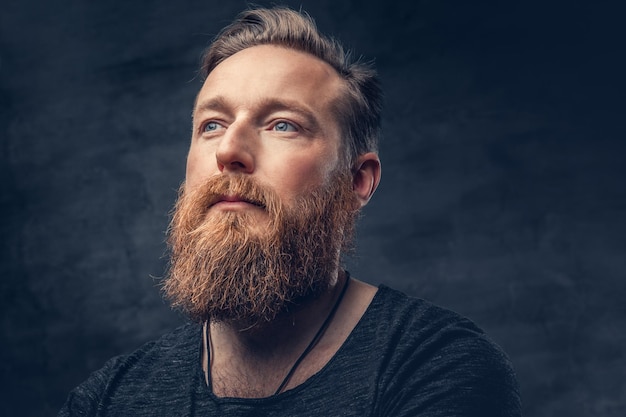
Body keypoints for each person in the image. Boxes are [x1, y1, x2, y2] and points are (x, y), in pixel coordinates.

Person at [59, 6, 521, 416]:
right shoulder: (110, 399)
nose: (230, 150)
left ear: (358, 181)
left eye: (283, 125)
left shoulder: (434, 365)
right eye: (212, 124)